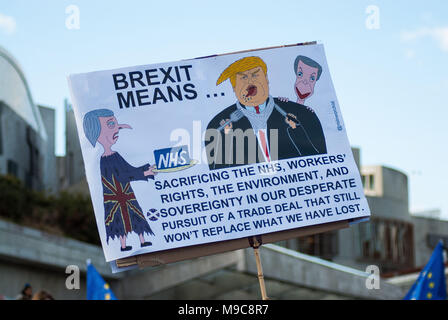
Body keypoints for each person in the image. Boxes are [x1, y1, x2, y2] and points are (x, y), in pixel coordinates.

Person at [205, 56, 327, 170]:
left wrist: (296, 130)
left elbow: (323, 162)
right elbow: (220, 175)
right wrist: (228, 139)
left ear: (266, 79)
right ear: (234, 87)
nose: (250, 82)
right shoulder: (217, 126)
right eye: (243, 78)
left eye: (255, 75)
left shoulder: (302, 115)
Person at [83, 109, 156, 252]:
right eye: (111, 125)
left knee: (135, 218)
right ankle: (125, 245)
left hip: (122, 195)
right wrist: (144, 172)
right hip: (117, 198)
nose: (118, 128)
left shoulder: (113, 156)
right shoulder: (106, 160)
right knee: (121, 222)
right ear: (97, 134)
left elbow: (128, 170)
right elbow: (123, 175)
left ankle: (141, 241)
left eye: (117, 125)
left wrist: (144, 170)